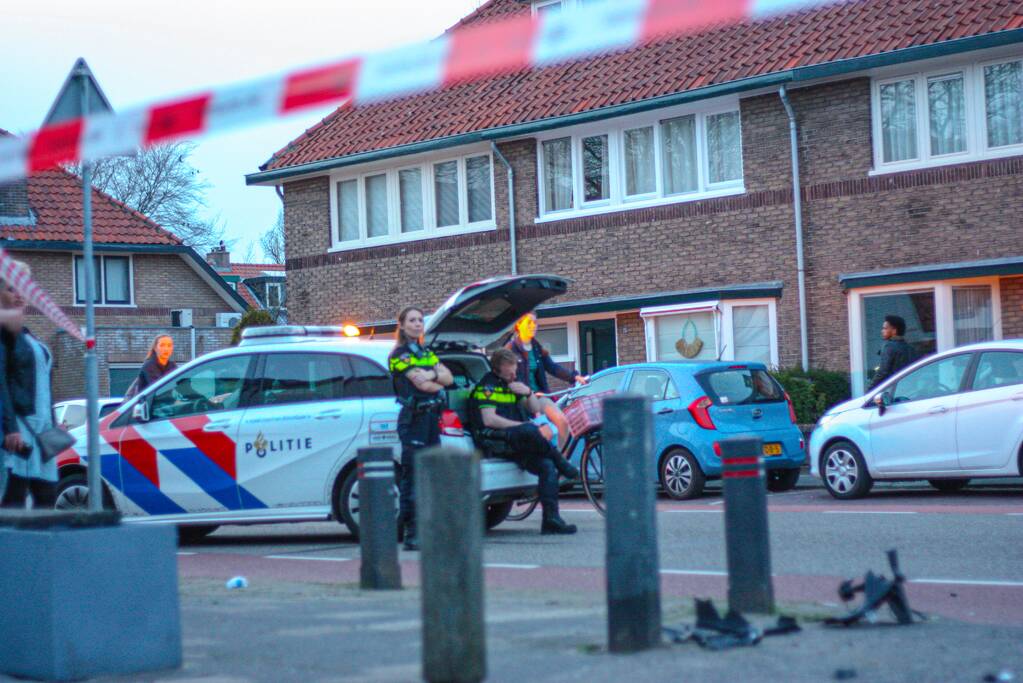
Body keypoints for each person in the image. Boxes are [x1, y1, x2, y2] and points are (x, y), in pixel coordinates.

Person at [468, 348, 580, 535]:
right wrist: (520, 426)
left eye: (515, 367)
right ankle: (562, 464)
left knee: (546, 466)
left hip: (516, 440)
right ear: (498, 368)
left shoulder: (512, 384)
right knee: (529, 429)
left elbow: (535, 409)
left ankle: (551, 520)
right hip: (493, 438)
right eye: (510, 368)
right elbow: (489, 420)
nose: (514, 372)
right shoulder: (487, 387)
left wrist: (527, 392)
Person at [388, 306, 453, 551]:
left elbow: (449, 378)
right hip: (413, 421)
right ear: (402, 325)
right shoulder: (399, 354)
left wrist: (432, 375)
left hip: (430, 422)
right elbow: (424, 385)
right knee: (412, 478)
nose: (417, 324)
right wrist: (435, 375)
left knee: (431, 476)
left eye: (420, 320)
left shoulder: (425, 352)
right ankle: (412, 533)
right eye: (412, 320)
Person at [0, 261, 61, 509]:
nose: (19, 295)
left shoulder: (25, 334)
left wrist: (55, 425)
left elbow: (44, 385)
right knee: (14, 498)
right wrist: (8, 428)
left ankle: (42, 548)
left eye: (22, 288)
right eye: (12, 289)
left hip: (42, 432)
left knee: (47, 498)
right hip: (19, 431)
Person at [505, 313, 587, 451]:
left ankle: (562, 460)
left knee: (562, 422)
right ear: (519, 325)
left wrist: (574, 377)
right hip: (521, 398)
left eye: (535, 323)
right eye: (529, 323)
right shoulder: (510, 349)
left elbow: (552, 367)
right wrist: (526, 395)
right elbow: (507, 378)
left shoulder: (536, 347)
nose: (533, 326)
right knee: (541, 432)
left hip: (539, 396)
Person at [868, 315, 915, 391]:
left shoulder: (889, 346)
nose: (882, 331)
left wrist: (869, 390)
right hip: (909, 390)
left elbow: (883, 372)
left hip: (894, 390)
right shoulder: (910, 348)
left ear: (894, 331)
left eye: (885, 328)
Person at [125, 334, 177, 399]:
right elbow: (159, 388)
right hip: (147, 405)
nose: (166, 349)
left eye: (169, 345)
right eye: (162, 345)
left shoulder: (172, 366)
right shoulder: (149, 365)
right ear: (155, 348)